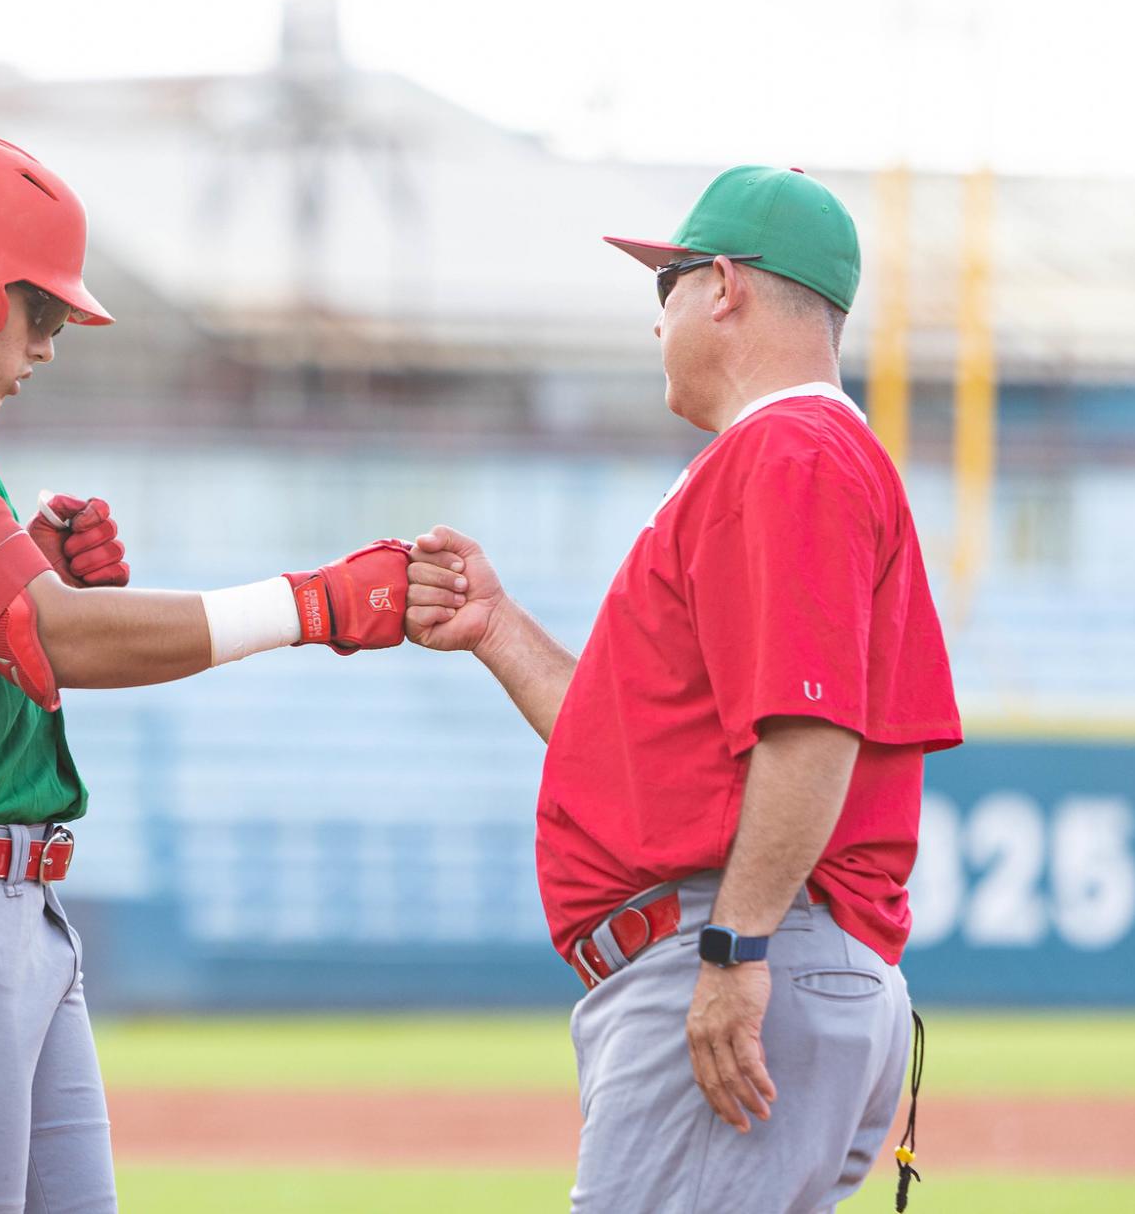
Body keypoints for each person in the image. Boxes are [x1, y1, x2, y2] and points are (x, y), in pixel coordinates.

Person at [0, 129, 410, 1213]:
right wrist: (308, 604)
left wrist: (27, 568)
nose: (49, 340)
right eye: (39, 307)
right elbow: (52, 637)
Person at [404, 166, 963, 1213]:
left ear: (720, 284)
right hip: (784, 951)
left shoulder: (787, 448)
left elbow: (809, 727)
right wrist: (496, 625)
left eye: (661, 286)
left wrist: (735, 947)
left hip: (749, 943)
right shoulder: (793, 454)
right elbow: (639, 750)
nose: (653, 319)